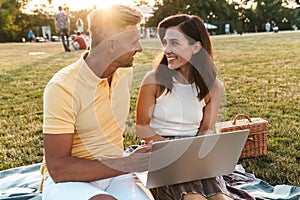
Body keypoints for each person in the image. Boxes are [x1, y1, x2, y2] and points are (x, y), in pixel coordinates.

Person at [40, 5, 154, 200]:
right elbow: (59, 169)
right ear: (111, 45)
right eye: (134, 41)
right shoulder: (62, 87)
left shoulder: (124, 71)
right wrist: (129, 164)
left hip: (115, 172)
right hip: (70, 181)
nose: (139, 48)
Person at [136, 14, 233, 200]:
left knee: (220, 198)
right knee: (192, 198)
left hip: (194, 154)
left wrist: (198, 150)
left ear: (196, 47)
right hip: (159, 151)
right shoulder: (153, 79)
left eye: (174, 43)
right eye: (165, 43)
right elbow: (141, 125)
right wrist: (168, 147)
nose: (166, 50)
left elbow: (206, 128)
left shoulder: (213, 86)